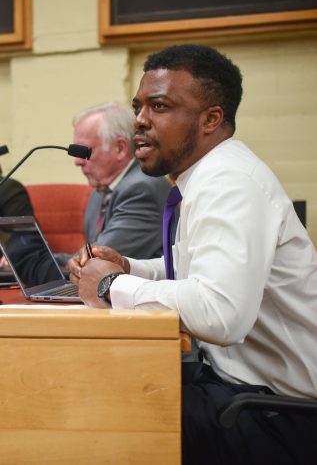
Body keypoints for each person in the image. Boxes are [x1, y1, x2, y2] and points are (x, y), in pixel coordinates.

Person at [69, 45, 317, 464]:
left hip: (277, 414)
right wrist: (131, 267)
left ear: (211, 119)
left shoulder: (230, 182)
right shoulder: (205, 177)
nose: (140, 121)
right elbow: (191, 271)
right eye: (139, 107)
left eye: (159, 106)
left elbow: (221, 313)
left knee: (98, 418)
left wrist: (111, 284)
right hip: (240, 390)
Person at [58, 102, 173, 269]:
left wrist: (33, 264)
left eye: (84, 152)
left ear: (120, 148)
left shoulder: (142, 189)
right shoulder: (100, 192)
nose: (77, 162)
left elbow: (97, 262)